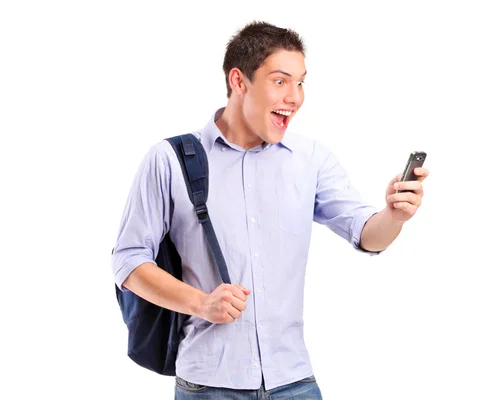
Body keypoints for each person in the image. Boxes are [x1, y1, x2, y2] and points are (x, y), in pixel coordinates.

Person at [111, 20, 429, 399]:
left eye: (301, 82)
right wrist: (202, 302)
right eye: (280, 81)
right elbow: (128, 260)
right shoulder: (170, 159)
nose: (295, 97)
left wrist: (394, 215)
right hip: (210, 384)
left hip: (294, 380)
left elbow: (366, 234)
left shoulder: (309, 159)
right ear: (238, 81)